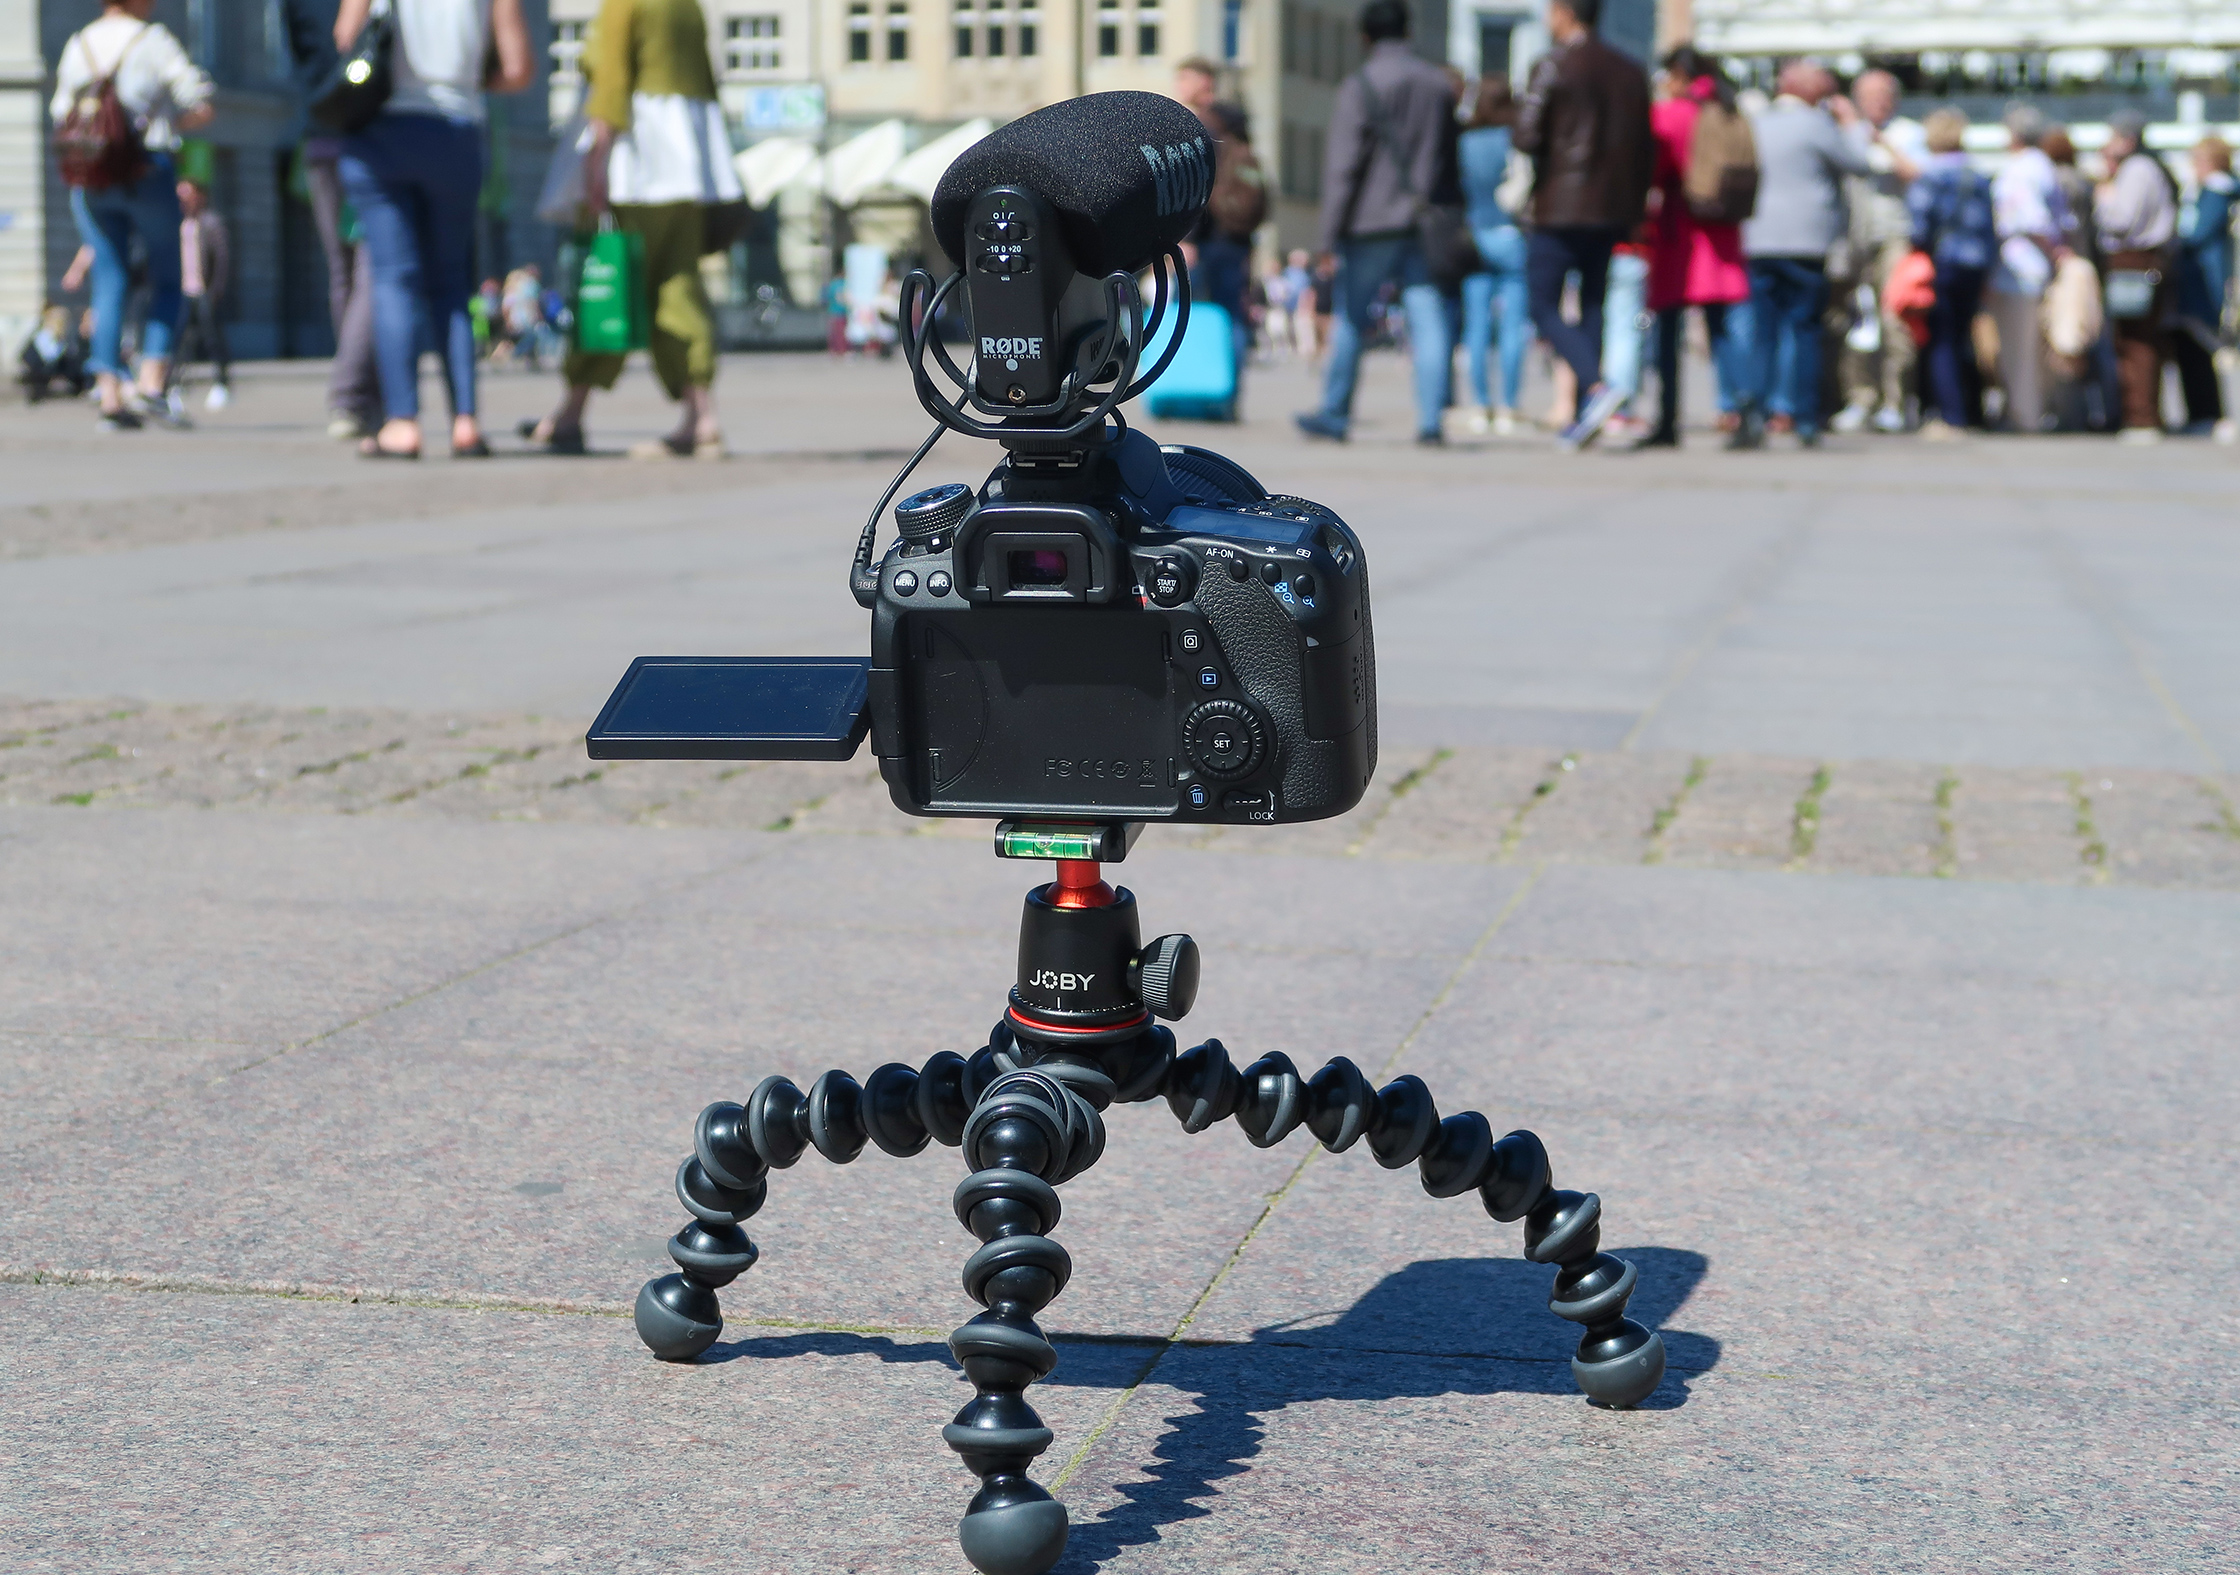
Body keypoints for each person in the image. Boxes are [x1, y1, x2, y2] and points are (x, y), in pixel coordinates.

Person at [524, 0, 744, 457]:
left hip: (636, 160)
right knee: (677, 284)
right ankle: (703, 417)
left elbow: (611, 78)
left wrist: (595, 160)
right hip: (686, 160)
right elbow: (707, 79)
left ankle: (571, 413)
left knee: (608, 282)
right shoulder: (688, 7)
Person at [333, 0, 535, 459]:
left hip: (383, 129)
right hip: (457, 130)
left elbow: (346, 37)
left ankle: (402, 423)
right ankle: (465, 422)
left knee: (393, 279)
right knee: (451, 280)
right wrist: (463, 80)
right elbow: (519, 69)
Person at [1296, 0, 1460, 446]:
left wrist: (1327, 235)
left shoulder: (1361, 83)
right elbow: (1449, 158)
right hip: (1425, 218)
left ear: (1365, 36)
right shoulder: (1437, 84)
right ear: (1406, 30)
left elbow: (1343, 168)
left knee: (1352, 315)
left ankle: (1334, 412)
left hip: (1371, 220)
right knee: (1428, 318)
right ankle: (1431, 421)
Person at [50, 0, 214, 432]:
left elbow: (59, 112)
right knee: (166, 275)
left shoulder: (79, 43)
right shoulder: (153, 40)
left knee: (109, 276)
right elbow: (197, 98)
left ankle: (107, 391)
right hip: (145, 168)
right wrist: (172, 122)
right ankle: (150, 380)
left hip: (91, 174)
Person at [1512, 0, 1654, 449]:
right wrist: (1633, 212)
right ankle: (1585, 415)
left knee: (1542, 303)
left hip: (1560, 204)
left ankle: (1596, 385)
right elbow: (1643, 150)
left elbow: (1525, 134)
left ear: (1564, 12)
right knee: (1592, 303)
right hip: (1611, 208)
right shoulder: (1630, 71)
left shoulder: (1554, 64)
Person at [1734, 60, 1870, 447]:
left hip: (1759, 238)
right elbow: (1860, 163)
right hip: (1806, 242)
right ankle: (1805, 417)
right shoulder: (1817, 125)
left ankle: (1754, 413)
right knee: (1806, 329)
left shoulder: (1758, 123)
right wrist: (1849, 124)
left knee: (1762, 332)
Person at [1641, 44, 1751, 447]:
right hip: (1722, 234)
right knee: (1724, 332)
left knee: (1667, 332)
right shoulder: (1727, 109)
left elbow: (1654, 167)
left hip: (1680, 234)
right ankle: (1744, 409)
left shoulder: (1671, 114)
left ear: (1678, 76)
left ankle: (1667, 419)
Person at [281, 0, 381, 440]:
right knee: (371, 268)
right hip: (371, 134)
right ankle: (353, 392)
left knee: (343, 271)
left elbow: (299, 53)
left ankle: (361, 388)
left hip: (321, 131)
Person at [1830, 68, 1925, 433]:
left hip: (1894, 237)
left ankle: (1895, 401)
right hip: (1853, 239)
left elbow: (1916, 172)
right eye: (1869, 96)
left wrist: (1881, 141)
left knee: (1894, 322)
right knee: (1855, 323)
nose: (1877, 103)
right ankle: (1859, 398)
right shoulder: (1845, 134)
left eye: (1884, 95)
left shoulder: (1907, 133)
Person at [1907, 108, 1997, 439]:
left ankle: (1951, 415)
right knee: (1963, 336)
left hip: (1943, 262)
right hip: (1974, 264)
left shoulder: (1930, 176)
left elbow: (1918, 226)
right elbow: (1990, 226)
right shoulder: (1977, 175)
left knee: (1941, 337)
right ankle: (1974, 411)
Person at [1175, 56, 1264, 374]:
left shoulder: (1204, 123)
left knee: (1193, 313)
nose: (1178, 86)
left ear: (1204, 82)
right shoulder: (1235, 120)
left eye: (1184, 78)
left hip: (1208, 238)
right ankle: (1228, 390)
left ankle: (1197, 383)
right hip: (1237, 236)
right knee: (1231, 313)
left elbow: (1198, 186)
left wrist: (1188, 238)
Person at [2095, 108, 2179, 443]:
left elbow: (2121, 219)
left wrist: (2103, 196)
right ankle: (2141, 415)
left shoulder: (2136, 169)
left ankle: (2141, 417)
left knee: (2134, 340)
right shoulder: (2150, 166)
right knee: (2138, 337)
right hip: (2144, 259)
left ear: (2126, 139)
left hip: (2133, 259)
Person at [1455, 73, 1531, 436]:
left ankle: (1480, 404)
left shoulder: (1464, 142)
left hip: (1475, 235)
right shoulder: (1512, 141)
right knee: (1513, 326)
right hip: (1510, 233)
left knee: (1477, 326)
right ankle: (1509, 406)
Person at [1986, 106, 2067, 434]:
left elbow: (2033, 220)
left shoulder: (2020, 169)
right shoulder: (2043, 165)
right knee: (2032, 349)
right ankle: (2029, 410)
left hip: (2019, 268)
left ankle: (2025, 414)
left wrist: (2054, 250)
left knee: (2019, 349)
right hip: (2033, 266)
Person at [2173, 135, 2235, 434]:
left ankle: (2207, 414)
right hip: (2202, 277)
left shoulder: (2216, 191)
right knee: (2195, 348)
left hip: (2204, 280)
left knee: (2199, 347)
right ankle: (2202, 414)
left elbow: (2197, 234)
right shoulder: (2213, 191)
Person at [174, 177, 231, 409]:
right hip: (182, 291)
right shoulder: (177, 224)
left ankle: (221, 382)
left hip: (204, 291)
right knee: (180, 340)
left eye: (188, 194)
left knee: (212, 338)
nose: (183, 200)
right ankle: (176, 382)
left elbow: (223, 259)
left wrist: (217, 289)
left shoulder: (211, 223)